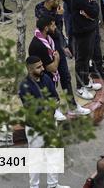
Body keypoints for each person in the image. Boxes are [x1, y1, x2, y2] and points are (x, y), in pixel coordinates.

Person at [18, 56, 70, 188]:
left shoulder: (46, 78)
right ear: (30, 70)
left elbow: (56, 98)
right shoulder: (24, 86)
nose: (42, 68)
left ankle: (53, 184)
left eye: (42, 65)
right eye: (38, 67)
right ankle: (34, 186)